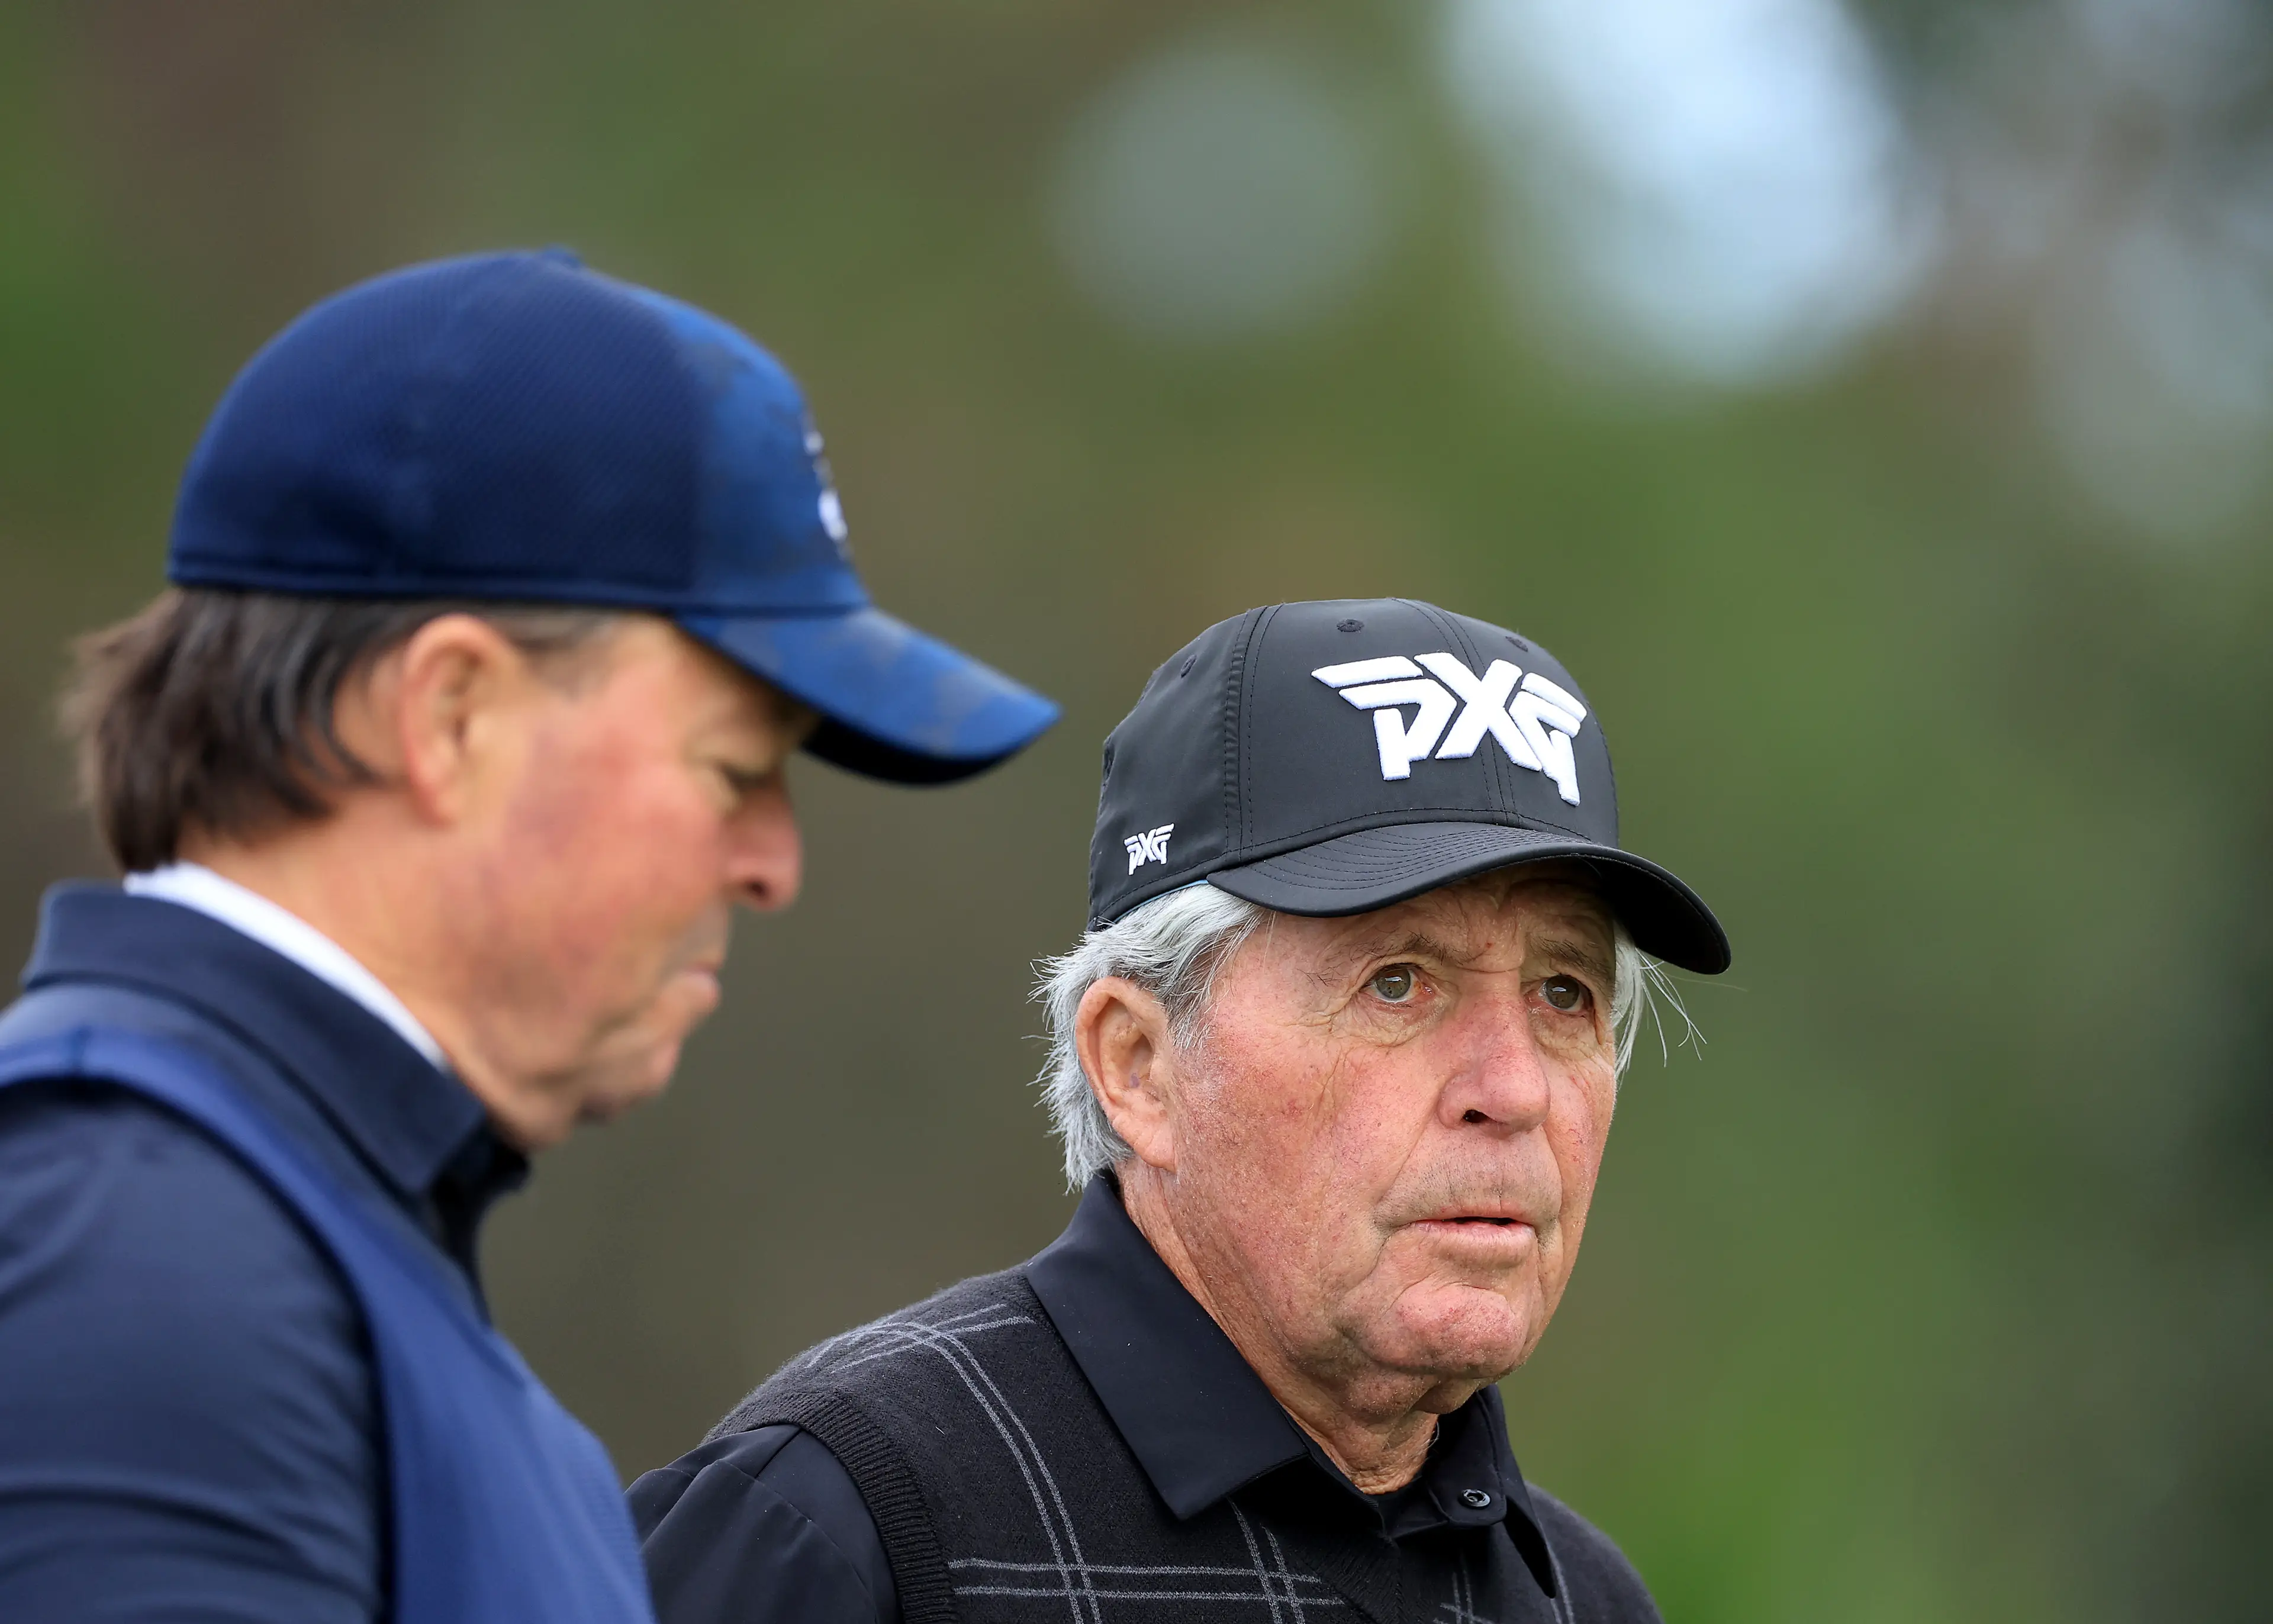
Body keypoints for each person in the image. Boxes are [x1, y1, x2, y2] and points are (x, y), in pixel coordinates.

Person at [0, 249, 1057, 1623]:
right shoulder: (141, 1261)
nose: (774, 865)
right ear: (452, 718)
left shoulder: (286, 1262)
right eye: (736, 768)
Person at [632, 597, 1731, 1623]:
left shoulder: (1584, 1596)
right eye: (1397, 983)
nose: (1515, 1089)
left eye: (1564, 994)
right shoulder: (848, 1525)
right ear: (1140, 1065)